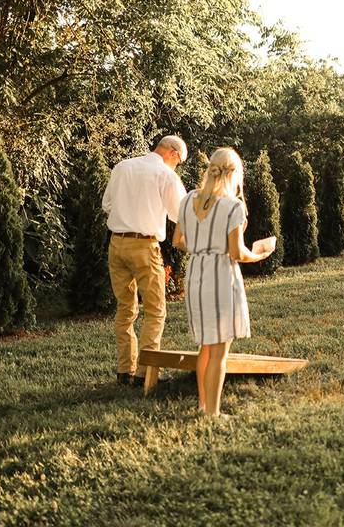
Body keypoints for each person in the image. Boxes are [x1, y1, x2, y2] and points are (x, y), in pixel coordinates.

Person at [172, 147, 274, 417]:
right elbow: (236, 253)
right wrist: (261, 254)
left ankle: (203, 404)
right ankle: (213, 413)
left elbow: (177, 241)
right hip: (220, 276)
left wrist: (200, 248)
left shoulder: (187, 200)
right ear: (235, 174)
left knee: (205, 345)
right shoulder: (232, 207)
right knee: (219, 350)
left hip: (195, 275)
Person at [102, 135, 187, 386]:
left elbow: (107, 204)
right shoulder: (166, 175)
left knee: (125, 309)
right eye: (180, 161)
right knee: (155, 310)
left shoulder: (122, 167)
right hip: (145, 246)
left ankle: (124, 371)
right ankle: (145, 373)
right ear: (172, 153)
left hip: (116, 244)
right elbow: (180, 213)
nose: (177, 165)